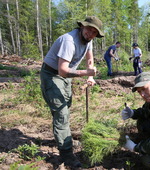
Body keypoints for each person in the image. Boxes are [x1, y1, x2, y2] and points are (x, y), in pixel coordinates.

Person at [40, 16, 104, 168]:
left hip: (66, 76)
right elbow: (62, 71)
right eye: (89, 29)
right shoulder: (69, 41)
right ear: (82, 27)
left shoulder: (89, 41)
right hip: (52, 74)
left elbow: (89, 59)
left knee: (66, 106)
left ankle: (64, 137)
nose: (91, 34)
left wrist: (90, 76)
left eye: (95, 32)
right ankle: (67, 154)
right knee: (61, 112)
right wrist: (84, 73)